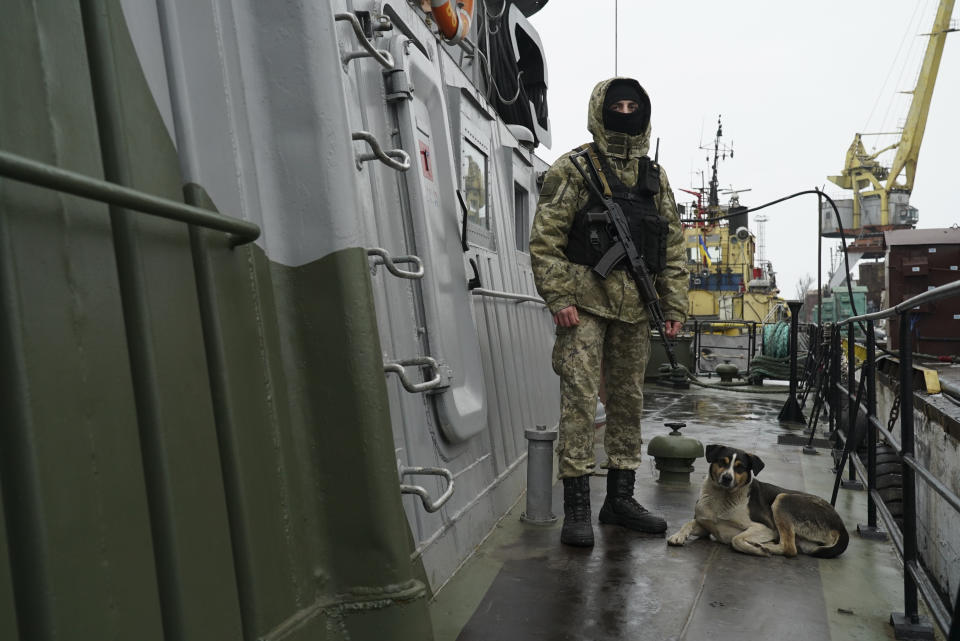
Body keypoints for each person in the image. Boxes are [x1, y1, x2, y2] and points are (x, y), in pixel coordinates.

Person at [529, 78, 688, 547]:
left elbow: (673, 248)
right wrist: (559, 298)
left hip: (636, 309)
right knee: (579, 401)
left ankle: (619, 498)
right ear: (601, 109)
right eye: (616, 104)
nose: (624, 112)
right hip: (584, 305)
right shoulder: (575, 168)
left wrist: (673, 303)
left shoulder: (653, 179)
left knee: (628, 401)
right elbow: (546, 240)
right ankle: (575, 507)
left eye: (631, 105)